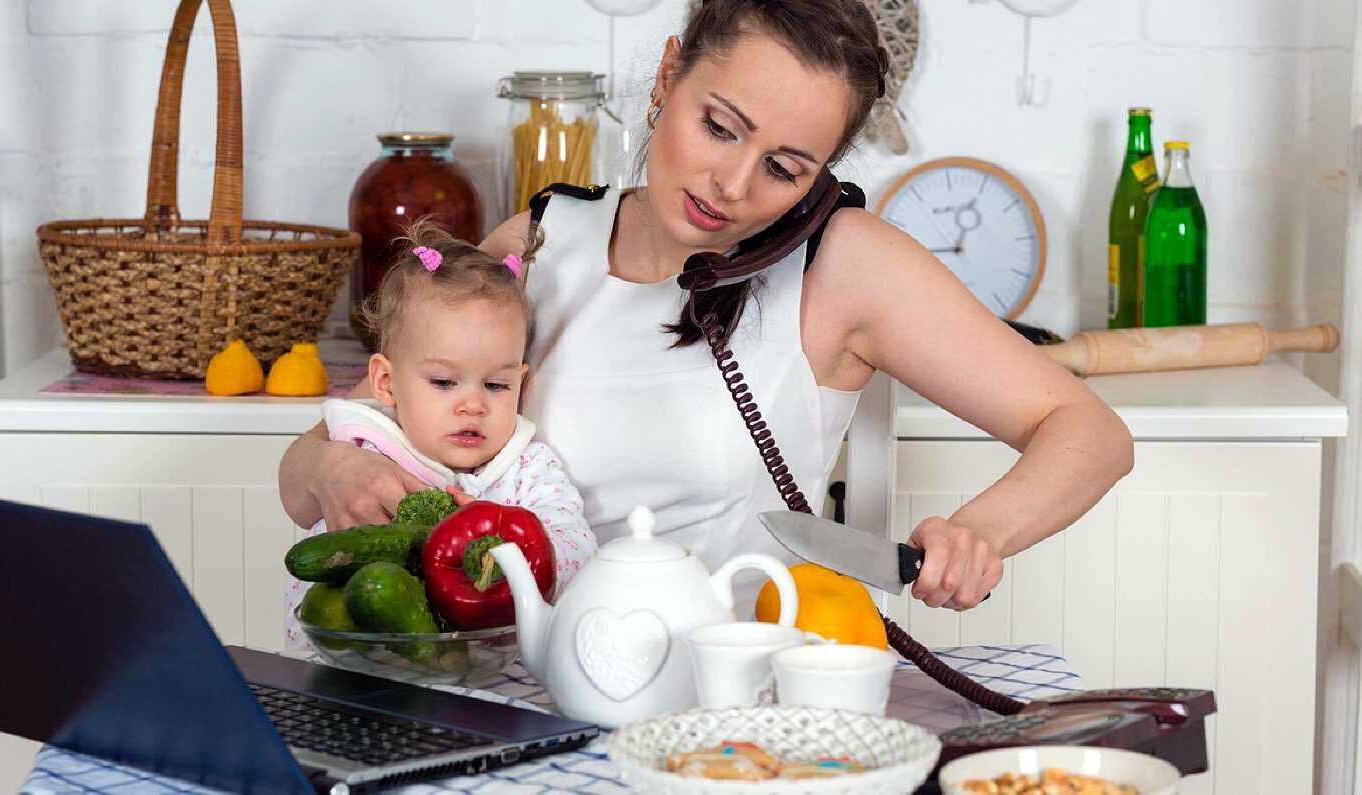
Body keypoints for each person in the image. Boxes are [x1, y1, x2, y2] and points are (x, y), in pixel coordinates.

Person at [280, 0, 1132, 617]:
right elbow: (316, 463)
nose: (732, 186)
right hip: (509, 682)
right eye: (720, 126)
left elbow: (1089, 432)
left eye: (786, 167)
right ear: (666, 75)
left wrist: (976, 531)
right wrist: (334, 468)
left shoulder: (844, 264)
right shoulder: (540, 240)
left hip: (719, 710)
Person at [284, 220, 595, 647]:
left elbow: (578, 553)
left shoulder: (527, 467)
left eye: (496, 385)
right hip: (356, 669)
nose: (473, 404)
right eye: (445, 383)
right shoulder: (363, 448)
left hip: (494, 680)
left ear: (521, 383)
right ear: (386, 383)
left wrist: (492, 544)